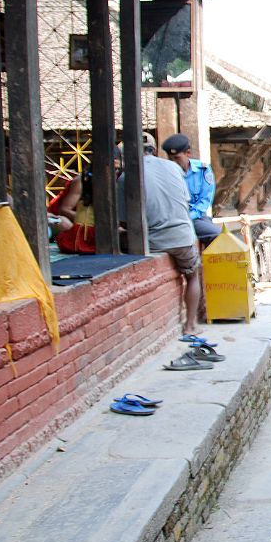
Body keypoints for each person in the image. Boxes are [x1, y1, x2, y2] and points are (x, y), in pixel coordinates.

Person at [118, 134, 212, 367]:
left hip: (154, 240)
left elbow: (125, 220)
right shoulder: (173, 169)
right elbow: (185, 200)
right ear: (153, 150)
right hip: (182, 236)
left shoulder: (126, 176)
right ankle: (190, 325)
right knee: (192, 274)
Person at [160, 133, 218, 246]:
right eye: (171, 159)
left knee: (217, 235)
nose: (174, 163)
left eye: (177, 158)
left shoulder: (203, 170)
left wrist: (188, 218)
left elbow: (204, 202)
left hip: (195, 218)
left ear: (188, 153)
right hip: (173, 219)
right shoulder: (165, 173)